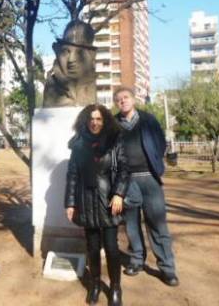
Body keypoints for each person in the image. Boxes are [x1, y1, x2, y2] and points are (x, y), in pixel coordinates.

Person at [113, 86, 179, 286]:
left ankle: (167, 268)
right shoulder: (113, 124)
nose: (123, 101)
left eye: (126, 97)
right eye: (119, 99)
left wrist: (156, 165)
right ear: (116, 103)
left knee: (158, 224)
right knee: (131, 225)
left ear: (133, 100)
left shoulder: (148, 120)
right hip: (126, 181)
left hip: (149, 179)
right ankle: (136, 260)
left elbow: (160, 143)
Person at [64, 104, 129, 306]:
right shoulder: (79, 144)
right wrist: (70, 203)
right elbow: (73, 175)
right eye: (91, 118)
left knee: (111, 247)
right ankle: (95, 285)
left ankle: (115, 287)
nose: (95, 122)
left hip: (109, 200)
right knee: (92, 247)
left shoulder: (114, 140)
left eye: (99, 119)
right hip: (86, 200)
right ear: (86, 120)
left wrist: (119, 193)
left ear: (105, 120)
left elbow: (124, 169)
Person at [43, 20, 97, 107]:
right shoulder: (52, 87)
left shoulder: (93, 87)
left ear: (92, 55)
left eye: (79, 52)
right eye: (65, 51)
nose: (71, 59)